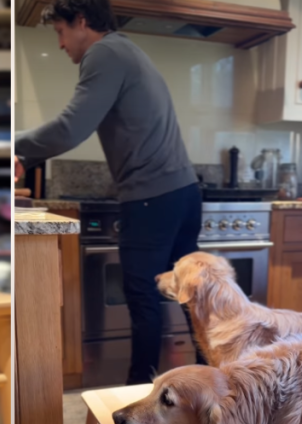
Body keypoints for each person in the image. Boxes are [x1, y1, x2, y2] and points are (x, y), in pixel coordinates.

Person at [14, 0, 202, 384]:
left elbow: (70, 128)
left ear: (82, 21)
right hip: (182, 192)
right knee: (190, 295)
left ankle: (139, 394)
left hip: (151, 197)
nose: (62, 43)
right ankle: (212, 385)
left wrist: (10, 143)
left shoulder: (105, 52)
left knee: (143, 296)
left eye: (61, 32)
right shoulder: (126, 50)